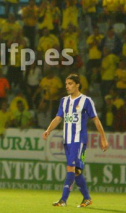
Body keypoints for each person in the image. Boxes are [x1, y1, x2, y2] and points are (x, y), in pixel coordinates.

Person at [42, 74, 109, 207]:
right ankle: (87, 198)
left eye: (70, 83)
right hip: (66, 140)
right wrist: (48, 129)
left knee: (71, 168)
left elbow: (95, 119)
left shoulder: (86, 100)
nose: (67, 86)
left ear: (78, 84)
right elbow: (58, 118)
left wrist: (103, 138)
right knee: (76, 171)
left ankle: (63, 200)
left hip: (79, 140)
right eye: (66, 84)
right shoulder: (64, 100)